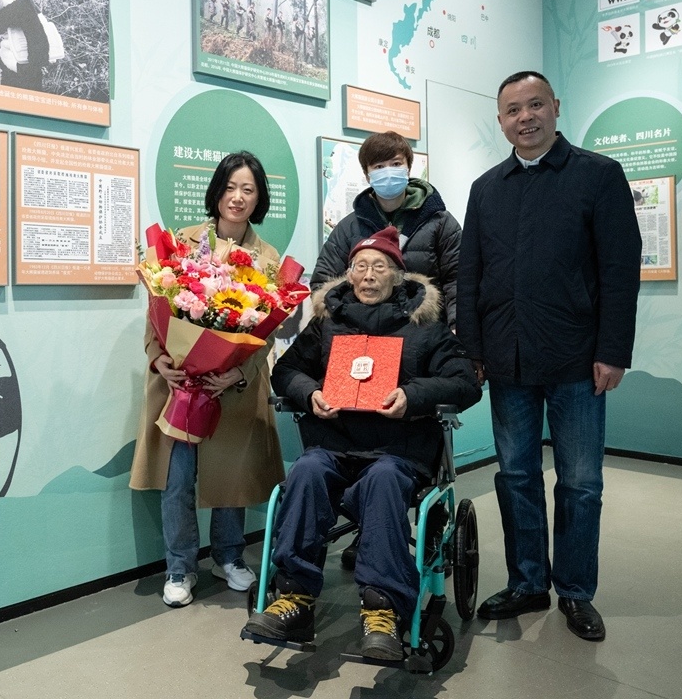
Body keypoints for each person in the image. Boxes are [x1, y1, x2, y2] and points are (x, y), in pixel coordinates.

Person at [455, 71, 641, 642]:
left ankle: (576, 591)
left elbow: (619, 270)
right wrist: (474, 350)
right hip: (508, 360)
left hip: (577, 359)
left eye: (535, 105)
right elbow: (470, 276)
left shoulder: (598, 175)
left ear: (556, 107)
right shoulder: (486, 188)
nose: (525, 117)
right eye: (513, 110)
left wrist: (613, 351)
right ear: (501, 121)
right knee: (516, 476)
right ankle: (528, 582)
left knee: (580, 482)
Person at [246, 227, 482, 660]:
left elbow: (465, 383)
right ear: (348, 274)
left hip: (397, 450)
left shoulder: (425, 326)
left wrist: (412, 396)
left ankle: (383, 608)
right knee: (305, 471)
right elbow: (286, 371)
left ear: (399, 276)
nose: (368, 275)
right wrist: (309, 393)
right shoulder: (327, 324)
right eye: (360, 266)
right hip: (334, 446)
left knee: (384, 478)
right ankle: (294, 596)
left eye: (379, 267)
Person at [129, 151, 286, 608]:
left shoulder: (267, 258)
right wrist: (159, 359)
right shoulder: (183, 243)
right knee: (178, 478)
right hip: (181, 385)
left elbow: (267, 333)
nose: (237, 197)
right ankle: (179, 567)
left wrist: (239, 370)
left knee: (228, 477)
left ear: (259, 199)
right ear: (216, 192)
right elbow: (157, 310)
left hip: (232, 389)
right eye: (230, 187)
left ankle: (229, 557)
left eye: (248, 190)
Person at [312, 131, 462, 327]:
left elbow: (459, 280)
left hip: (427, 333)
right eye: (379, 167)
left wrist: (456, 327)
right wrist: (352, 320)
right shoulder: (349, 228)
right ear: (367, 175)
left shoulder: (440, 222)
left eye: (396, 164)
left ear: (408, 168)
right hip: (365, 334)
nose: (388, 171)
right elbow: (324, 282)